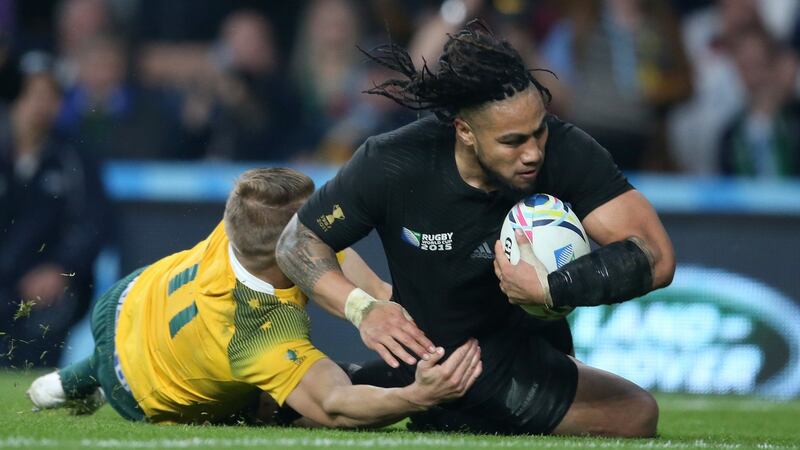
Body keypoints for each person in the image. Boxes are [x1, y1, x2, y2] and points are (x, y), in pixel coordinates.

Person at [276, 20, 675, 437]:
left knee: (638, 414)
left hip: (529, 352)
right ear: (464, 131)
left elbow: (656, 256)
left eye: (539, 131)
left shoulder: (567, 149)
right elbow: (295, 243)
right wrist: (363, 310)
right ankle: (435, 401)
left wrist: (553, 288)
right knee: (635, 413)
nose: (533, 153)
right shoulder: (393, 162)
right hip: (436, 355)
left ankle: (431, 406)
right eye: (512, 141)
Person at [26, 168, 482, 426]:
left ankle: (69, 383)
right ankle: (83, 381)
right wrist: (418, 397)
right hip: (140, 390)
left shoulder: (242, 225)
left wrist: (384, 298)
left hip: (128, 299)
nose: (325, 219)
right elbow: (336, 405)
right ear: (287, 250)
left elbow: (323, 247)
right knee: (301, 404)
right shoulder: (259, 334)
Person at [0, 66, 110, 368]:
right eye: (31, 95)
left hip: (50, 284)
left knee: (41, 338)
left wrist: (62, 269)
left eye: (50, 96)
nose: (40, 105)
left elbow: (94, 224)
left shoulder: (75, 156)